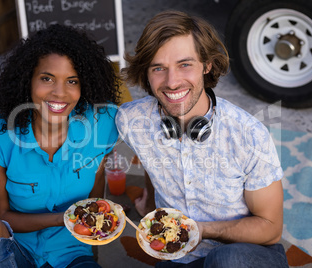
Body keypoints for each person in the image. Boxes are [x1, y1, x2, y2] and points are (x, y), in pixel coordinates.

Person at [116, 10, 289, 267]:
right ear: (146, 73)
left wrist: (200, 229)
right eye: (158, 68)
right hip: (176, 254)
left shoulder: (249, 134)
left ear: (206, 65)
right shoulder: (132, 121)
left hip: (243, 253)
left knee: (227, 260)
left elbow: (270, 228)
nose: (172, 82)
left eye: (185, 64)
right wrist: (151, 203)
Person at [0, 24, 121, 267]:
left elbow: (97, 187)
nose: (60, 93)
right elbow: (0, 216)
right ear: (27, 79)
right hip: (17, 248)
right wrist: (63, 219)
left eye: (72, 81)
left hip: (73, 251)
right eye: (47, 78)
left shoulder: (102, 124)